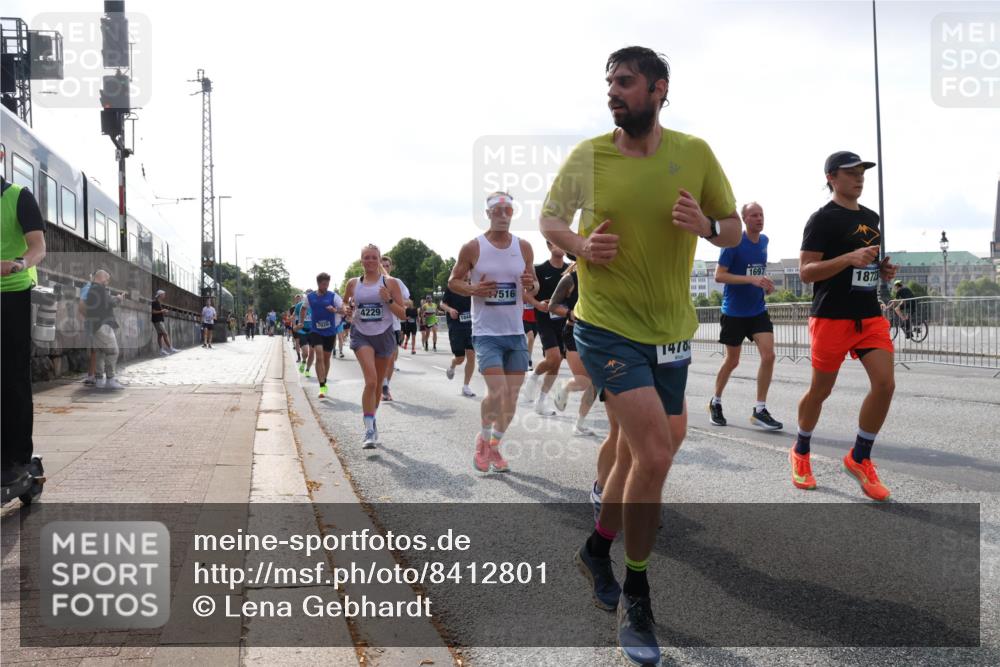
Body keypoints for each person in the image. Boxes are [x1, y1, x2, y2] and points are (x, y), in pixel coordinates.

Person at [540, 46, 741, 665]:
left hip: (672, 330)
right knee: (655, 451)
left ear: (659, 88)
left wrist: (705, 226)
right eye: (609, 84)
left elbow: (734, 228)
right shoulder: (590, 156)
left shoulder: (696, 152)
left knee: (643, 451)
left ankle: (597, 547)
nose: (613, 92)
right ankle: (638, 593)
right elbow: (550, 220)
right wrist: (580, 247)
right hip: (606, 326)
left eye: (625, 83)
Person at [792, 151, 899, 502]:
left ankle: (859, 457)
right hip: (831, 316)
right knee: (820, 391)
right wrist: (848, 259)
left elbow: (862, 266)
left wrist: (880, 270)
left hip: (868, 314)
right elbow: (806, 272)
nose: (859, 177)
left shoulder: (871, 217)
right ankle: (802, 451)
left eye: (862, 172)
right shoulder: (821, 219)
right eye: (851, 172)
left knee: (884, 384)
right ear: (831, 178)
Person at [448, 191, 538, 473]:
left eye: (507, 210)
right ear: (487, 213)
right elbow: (453, 281)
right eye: (497, 210)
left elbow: (533, 286)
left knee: (511, 397)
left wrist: (530, 285)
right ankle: (483, 440)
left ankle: (494, 446)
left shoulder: (524, 247)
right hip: (486, 332)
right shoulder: (473, 247)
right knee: (497, 392)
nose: (502, 214)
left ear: (512, 213)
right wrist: (473, 289)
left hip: (515, 332)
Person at [708, 202, 783, 430]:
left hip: (757, 310)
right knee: (732, 361)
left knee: (768, 356)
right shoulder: (733, 243)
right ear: (744, 219)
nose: (759, 218)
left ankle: (760, 410)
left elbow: (756, 272)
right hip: (734, 312)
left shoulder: (764, 241)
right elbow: (720, 276)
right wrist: (750, 279)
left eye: (761, 214)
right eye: (754, 215)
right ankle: (716, 401)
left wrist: (765, 284)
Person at [1, 176, 47, 490]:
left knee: (13, 377)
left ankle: (17, 460)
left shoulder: (18, 197)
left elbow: (38, 247)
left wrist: (19, 263)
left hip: (12, 294)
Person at [343, 245, 407, 448]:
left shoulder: (390, 283)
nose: (370, 261)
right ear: (361, 260)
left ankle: (372, 417)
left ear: (379, 260)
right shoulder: (353, 284)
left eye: (373, 258)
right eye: (366, 257)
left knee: (378, 385)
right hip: (362, 335)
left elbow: (403, 314)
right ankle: (369, 429)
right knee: (370, 381)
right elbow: (345, 305)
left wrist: (388, 299)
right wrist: (347, 309)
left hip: (384, 335)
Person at [548, 263, 598, 435]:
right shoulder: (571, 278)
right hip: (575, 333)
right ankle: (566, 387)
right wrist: (570, 313)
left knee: (596, 382)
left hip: (601, 335)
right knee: (584, 381)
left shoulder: (608, 278)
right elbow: (552, 305)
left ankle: (579, 424)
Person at [522, 241, 568, 416]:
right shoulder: (540, 270)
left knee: (556, 363)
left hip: (563, 321)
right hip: (544, 319)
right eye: (557, 243)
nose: (561, 247)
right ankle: (533, 376)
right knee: (553, 356)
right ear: (549, 246)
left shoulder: (569, 270)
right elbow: (525, 293)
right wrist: (537, 304)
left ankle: (541, 401)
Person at [85, 270, 126, 390]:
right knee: (113, 351)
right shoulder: (100, 288)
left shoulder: (92, 289)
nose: (107, 283)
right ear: (103, 279)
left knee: (100, 353)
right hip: (103, 326)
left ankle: (99, 380)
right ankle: (110, 379)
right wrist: (118, 298)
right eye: (107, 280)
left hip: (95, 327)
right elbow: (109, 302)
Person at [307, 273, 345, 399]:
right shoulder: (310, 297)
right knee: (319, 356)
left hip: (330, 331)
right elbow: (303, 308)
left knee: (326, 359)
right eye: (324, 284)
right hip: (316, 331)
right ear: (318, 283)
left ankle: (324, 379)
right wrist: (301, 322)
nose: (326, 286)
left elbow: (343, 310)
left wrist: (335, 310)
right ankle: (322, 386)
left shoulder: (333, 296)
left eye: (327, 283)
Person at [380, 255, 410, 402]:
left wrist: (392, 298)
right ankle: (380, 383)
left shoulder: (396, 282)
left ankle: (385, 386)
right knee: (380, 360)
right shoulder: (371, 282)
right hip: (375, 326)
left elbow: (408, 301)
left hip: (393, 325)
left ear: (391, 267)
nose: (385, 268)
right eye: (382, 265)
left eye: (387, 265)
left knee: (391, 358)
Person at [441, 280, 476, 397]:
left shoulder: (473, 286)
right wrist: (450, 310)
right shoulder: (452, 286)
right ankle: (452, 365)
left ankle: (466, 386)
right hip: (456, 325)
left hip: (470, 326)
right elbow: (442, 304)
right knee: (460, 358)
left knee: (471, 355)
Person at [79, 274, 99, 385]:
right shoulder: (88, 288)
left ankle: (93, 375)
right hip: (93, 323)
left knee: (95, 350)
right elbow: (81, 306)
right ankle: (91, 375)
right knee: (94, 350)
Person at [294, 290, 315, 377]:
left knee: (312, 352)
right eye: (307, 295)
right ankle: (303, 361)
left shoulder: (315, 305)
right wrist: (295, 327)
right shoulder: (299, 305)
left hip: (313, 331)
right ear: (305, 296)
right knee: (305, 352)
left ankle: (307, 370)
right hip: (302, 331)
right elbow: (295, 318)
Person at [152, 289, 177, 355]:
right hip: (157, 321)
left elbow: (157, 312)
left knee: (160, 335)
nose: (164, 296)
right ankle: (170, 348)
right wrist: (162, 311)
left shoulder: (158, 302)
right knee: (165, 334)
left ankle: (161, 350)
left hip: (159, 320)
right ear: (160, 295)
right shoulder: (155, 302)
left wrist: (163, 312)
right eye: (163, 294)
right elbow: (153, 312)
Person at [522, 300, 537, 370]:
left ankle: (528, 357)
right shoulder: (522, 290)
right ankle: (528, 361)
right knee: (531, 337)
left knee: (531, 340)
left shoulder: (536, 290)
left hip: (535, 319)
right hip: (523, 318)